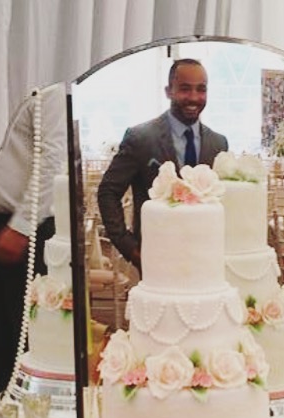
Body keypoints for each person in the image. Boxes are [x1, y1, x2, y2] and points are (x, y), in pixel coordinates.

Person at [0, 83, 67, 395]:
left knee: (23, 336)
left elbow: (52, 157)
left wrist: (23, 225)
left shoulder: (53, 88)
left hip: (22, 228)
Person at [97, 58, 228, 275]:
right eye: (185, 89)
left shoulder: (218, 143)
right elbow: (108, 192)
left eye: (201, 89)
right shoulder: (140, 138)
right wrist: (130, 248)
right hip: (154, 257)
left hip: (205, 259)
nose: (194, 97)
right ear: (169, 91)